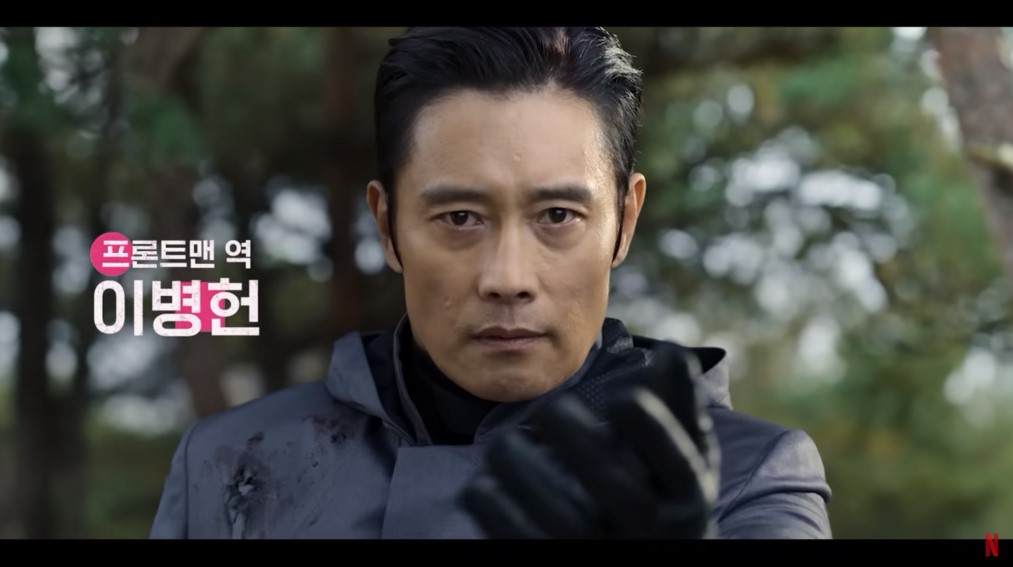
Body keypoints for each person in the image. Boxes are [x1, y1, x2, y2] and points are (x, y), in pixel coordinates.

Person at [149, 26, 832, 539]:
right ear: (387, 225)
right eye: (460, 218)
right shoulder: (228, 464)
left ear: (624, 222)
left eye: (557, 215)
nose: (508, 278)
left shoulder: (748, 476)